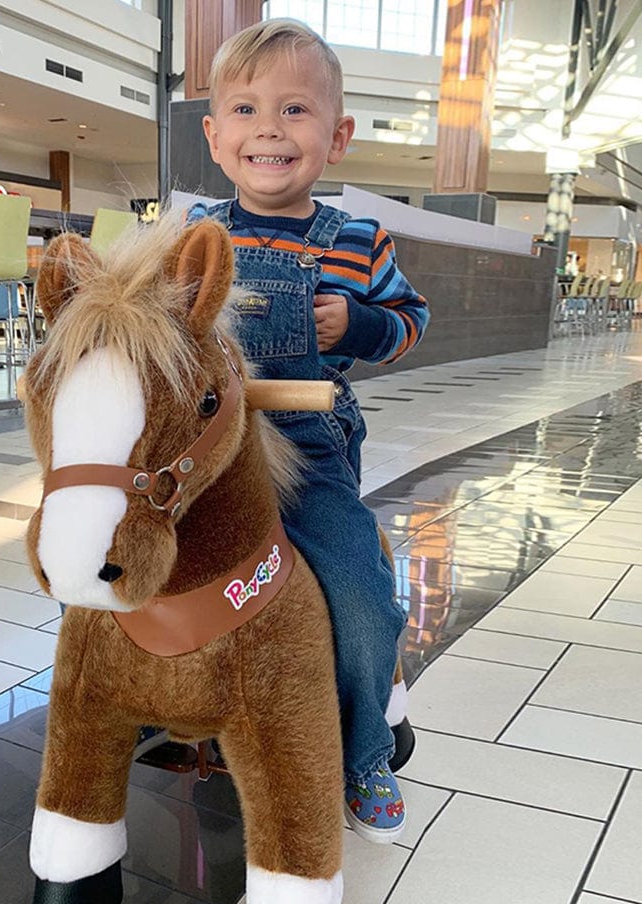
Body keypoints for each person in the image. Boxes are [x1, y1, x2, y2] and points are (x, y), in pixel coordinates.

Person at [187, 18, 430, 843]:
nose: (269, 128)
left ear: (338, 136)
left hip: (306, 446)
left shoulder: (358, 242)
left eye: (295, 109)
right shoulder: (194, 236)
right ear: (216, 137)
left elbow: (409, 321)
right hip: (202, 447)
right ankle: (160, 705)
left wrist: (357, 324)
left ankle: (362, 751)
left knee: (359, 594)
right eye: (247, 109)